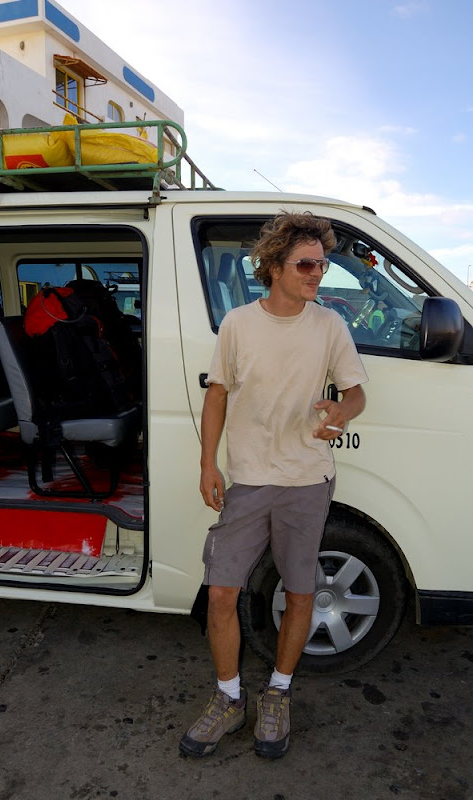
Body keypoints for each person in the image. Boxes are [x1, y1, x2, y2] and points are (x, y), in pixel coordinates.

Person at [179, 211, 368, 760]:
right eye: (306, 265)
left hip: (307, 479)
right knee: (221, 591)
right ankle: (229, 698)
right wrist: (208, 465)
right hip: (248, 478)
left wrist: (344, 410)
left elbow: (357, 391)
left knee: (301, 591)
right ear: (274, 267)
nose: (317, 274)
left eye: (322, 265)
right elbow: (217, 394)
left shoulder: (329, 325)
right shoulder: (238, 324)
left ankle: (278, 693)